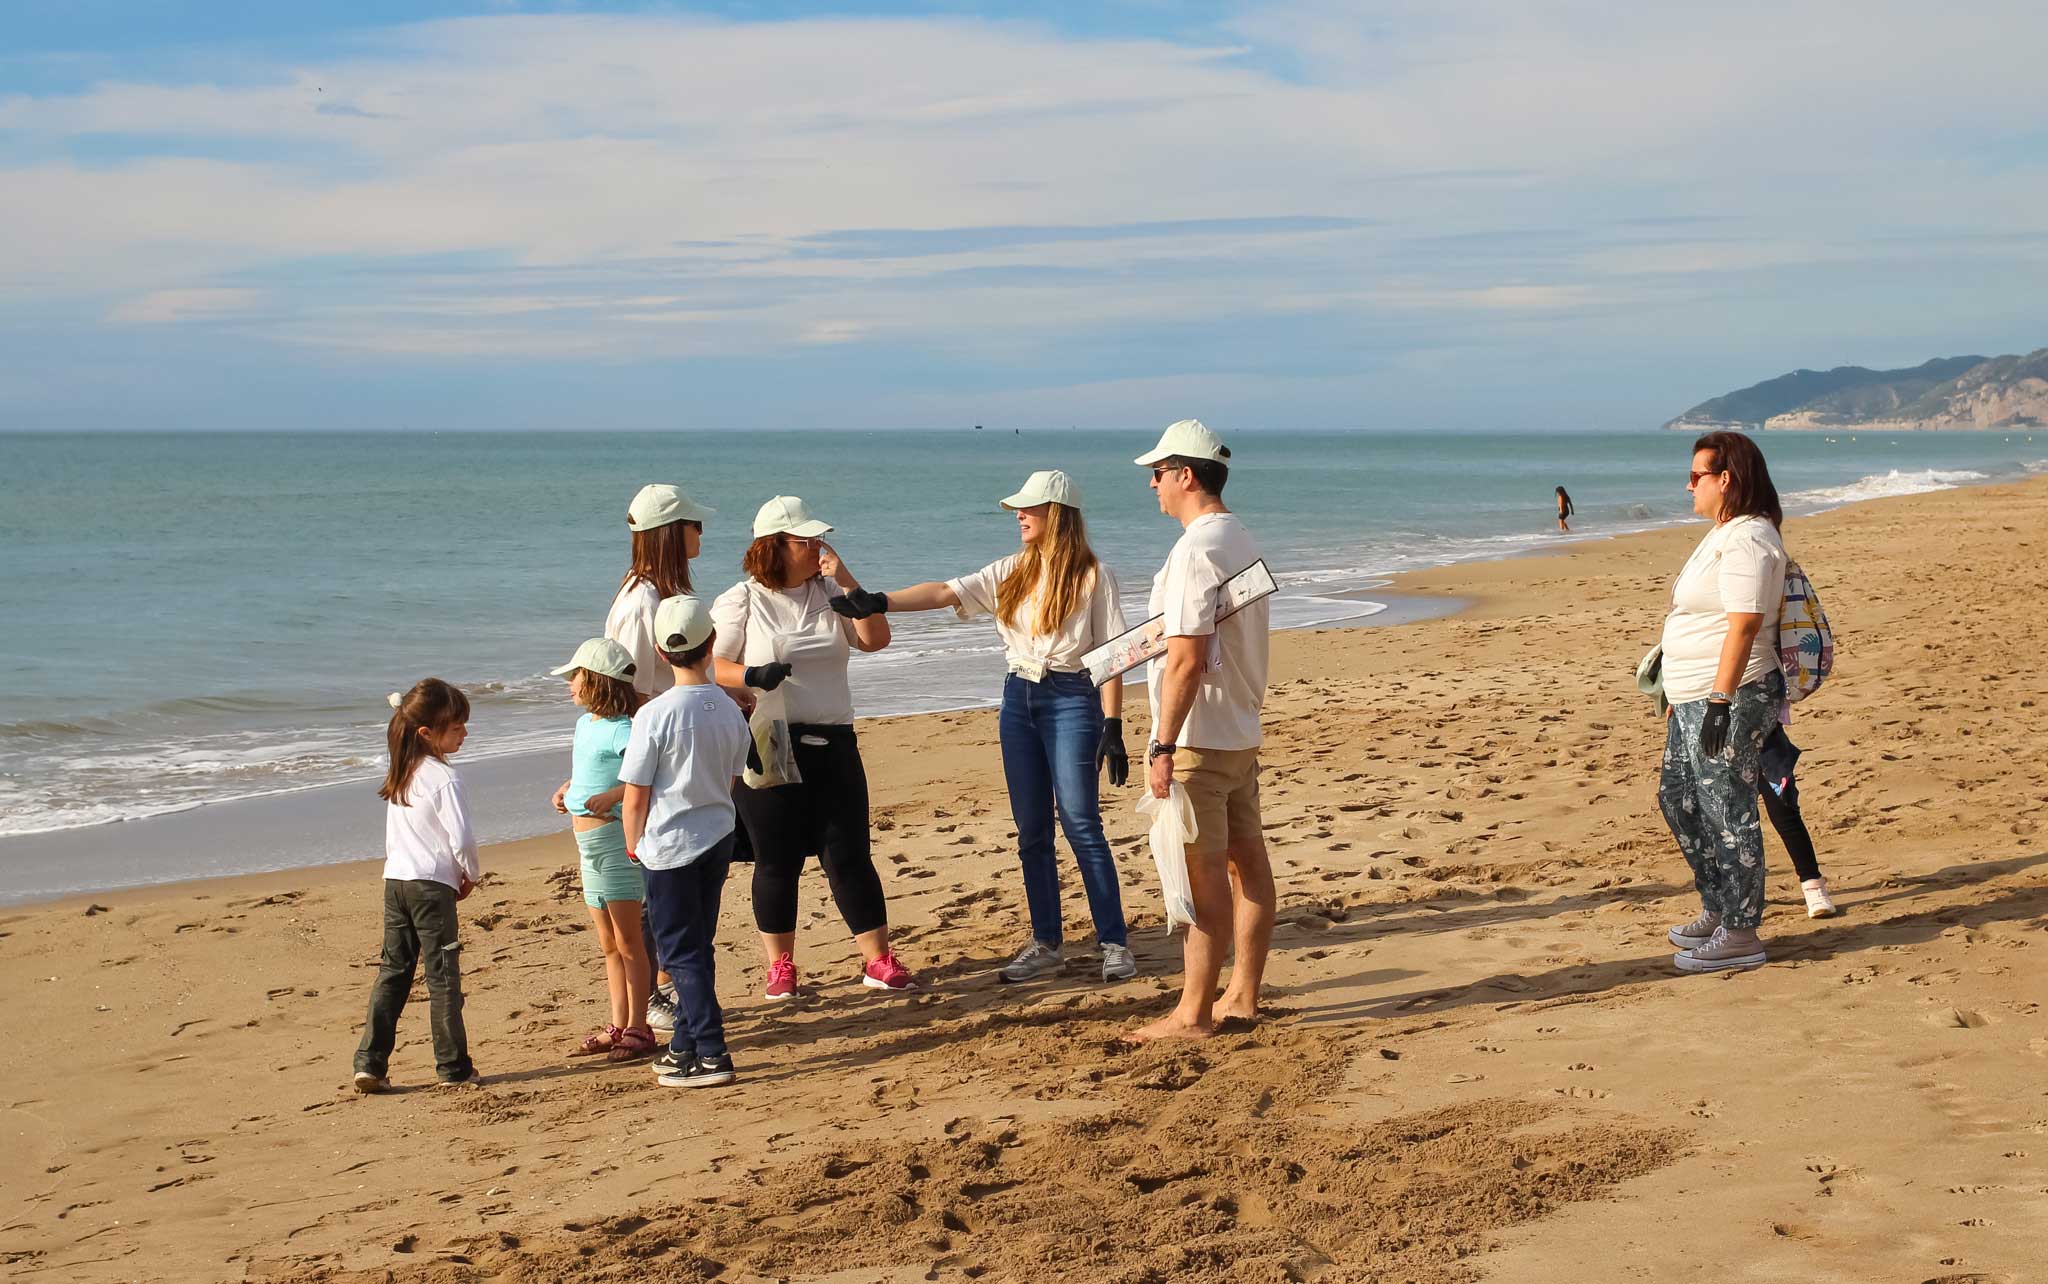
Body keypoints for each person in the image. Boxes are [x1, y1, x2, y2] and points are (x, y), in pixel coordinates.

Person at [829, 469, 1136, 984]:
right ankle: (1046, 943)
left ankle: (1114, 942)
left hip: (1071, 697)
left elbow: (1111, 656)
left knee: (1082, 824)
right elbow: (945, 592)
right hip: (1019, 697)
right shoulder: (1010, 570)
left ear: (1055, 513)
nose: (1019, 514)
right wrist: (879, 601)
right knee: (1031, 830)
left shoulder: (1092, 576)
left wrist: (1113, 724)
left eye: (1030, 507)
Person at [711, 496, 919, 998]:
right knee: (776, 859)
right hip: (770, 739)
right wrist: (751, 675)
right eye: (805, 541)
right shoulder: (743, 599)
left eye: (819, 539)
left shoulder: (830, 591)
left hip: (835, 738)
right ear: (774, 548)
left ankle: (877, 960)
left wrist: (847, 580)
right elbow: (711, 666)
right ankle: (781, 966)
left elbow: (875, 639)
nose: (818, 547)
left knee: (847, 852)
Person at [1124, 420, 1274, 1043]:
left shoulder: (1195, 549)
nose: (1152, 485)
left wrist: (1162, 744)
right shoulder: (1237, 534)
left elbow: (1186, 655)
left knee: (1200, 875)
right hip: (1238, 729)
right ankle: (1241, 994)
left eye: (1157, 474)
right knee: (1248, 867)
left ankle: (1193, 1013)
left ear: (1186, 475)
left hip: (1200, 738)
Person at [1659, 431, 1789, 973]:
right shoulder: (1724, 532)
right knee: (1680, 800)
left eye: (1696, 476)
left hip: (1732, 695)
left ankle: (1741, 932)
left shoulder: (1750, 538)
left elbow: (1744, 625)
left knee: (1728, 807)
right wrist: (1678, 691)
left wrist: (1718, 700)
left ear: (1726, 479)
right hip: (1691, 695)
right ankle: (1719, 907)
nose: (1688, 484)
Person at [620, 596, 753, 1088]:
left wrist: (633, 844)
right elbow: (734, 778)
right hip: (717, 834)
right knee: (696, 945)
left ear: (660, 651)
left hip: (670, 845)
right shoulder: (730, 711)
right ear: (711, 643)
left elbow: (636, 795)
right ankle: (684, 1043)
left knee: (680, 953)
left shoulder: (653, 715)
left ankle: (713, 1050)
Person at [352, 679, 482, 1092]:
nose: (464, 733)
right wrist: (470, 875)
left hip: (397, 882)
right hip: (431, 885)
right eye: (456, 727)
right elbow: (460, 838)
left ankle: (370, 1062)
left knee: (393, 971)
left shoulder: (403, 770)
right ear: (427, 733)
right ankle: (453, 1068)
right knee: (443, 976)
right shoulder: (443, 777)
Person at [549, 637, 656, 1063]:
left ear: (596, 680)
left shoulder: (626, 730)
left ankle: (639, 1028)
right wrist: (567, 788)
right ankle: (618, 1023)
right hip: (586, 844)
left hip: (614, 844)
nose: (568, 685)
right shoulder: (586, 725)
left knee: (631, 942)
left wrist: (613, 796)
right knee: (608, 942)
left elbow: (647, 778)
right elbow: (586, 771)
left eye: (574, 677)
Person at [1759, 727, 1839, 917]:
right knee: (1735, 823)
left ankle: (1813, 884)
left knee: (1783, 811)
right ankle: (1747, 893)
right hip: (1713, 734)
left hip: (1761, 731)